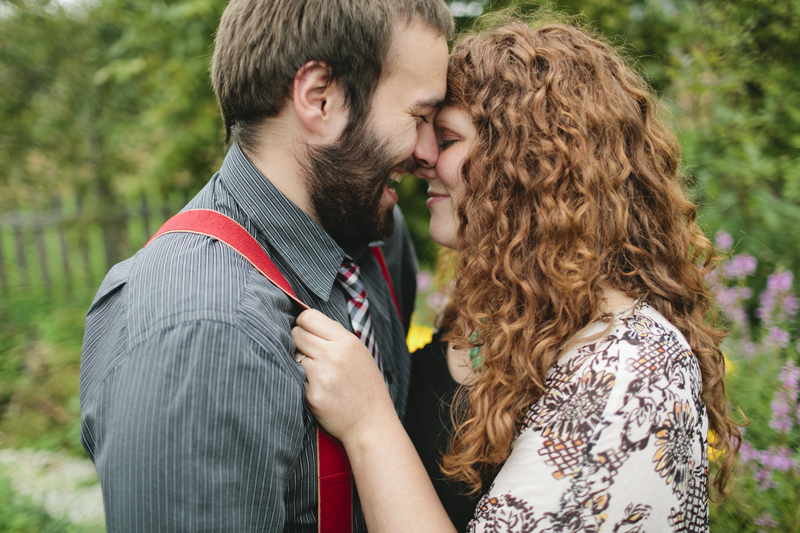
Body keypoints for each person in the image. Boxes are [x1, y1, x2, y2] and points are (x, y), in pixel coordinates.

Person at [292, 18, 741, 532]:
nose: (423, 159)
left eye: (447, 138)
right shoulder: (500, 315)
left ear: (526, 163)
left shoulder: (630, 368)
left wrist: (368, 424)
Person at [79, 0, 454, 530]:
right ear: (320, 99)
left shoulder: (377, 244)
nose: (428, 152)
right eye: (418, 116)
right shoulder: (200, 331)